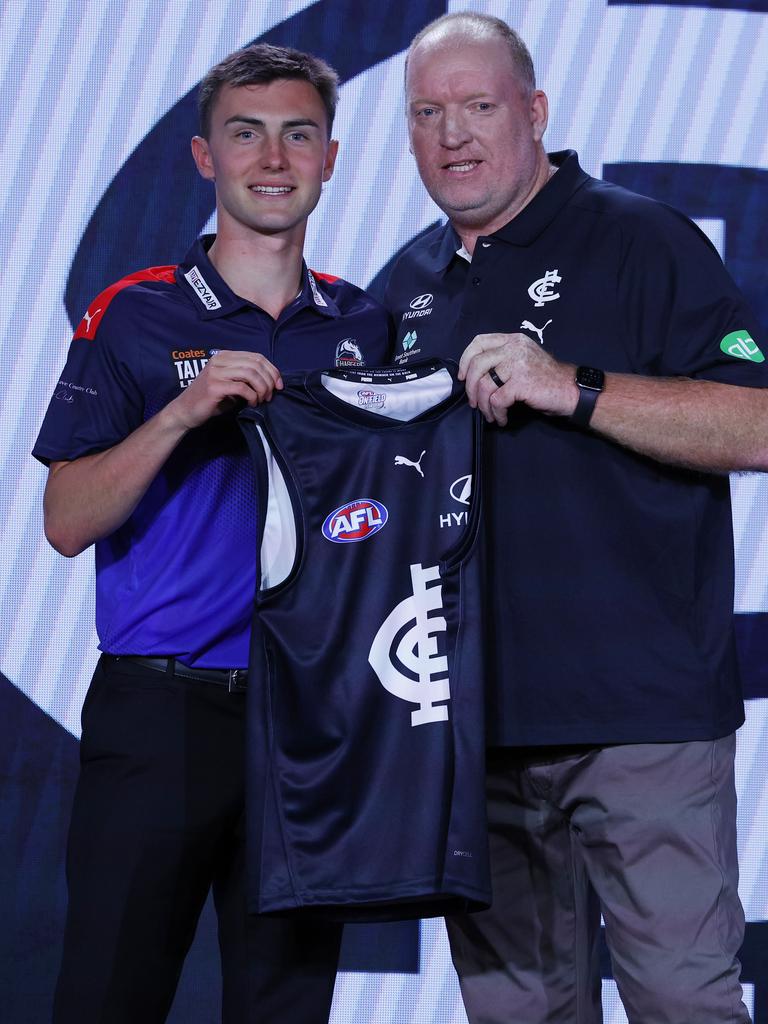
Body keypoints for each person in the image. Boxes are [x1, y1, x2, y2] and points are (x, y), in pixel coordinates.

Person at [384, 12, 768, 1024]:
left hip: (644, 723)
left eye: (478, 106)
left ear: (536, 112)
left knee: (684, 1004)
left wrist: (574, 387)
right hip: (475, 729)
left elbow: (758, 423)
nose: (453, 134)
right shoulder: (405, 289)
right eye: (429, 113)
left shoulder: (642, 238)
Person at [33, 43, 391, 1024]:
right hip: (161, 715)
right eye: (246, 134)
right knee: (108, 999)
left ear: (329, 158)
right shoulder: (133, 314)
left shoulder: (371, 326)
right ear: (204, 157)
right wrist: (183, 413)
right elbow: (66, 523)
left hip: (311, 724)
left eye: (297, 134)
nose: (272, 158)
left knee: (285, 1007)